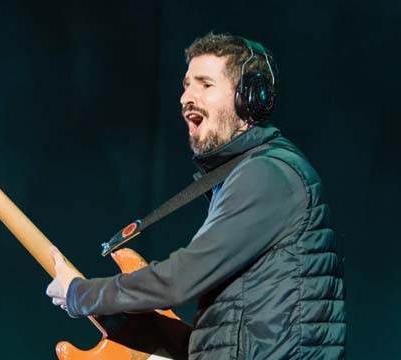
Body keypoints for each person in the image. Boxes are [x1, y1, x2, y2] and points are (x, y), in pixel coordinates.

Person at [46, 32, 346, 359]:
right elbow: (239, 324)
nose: (186, 97)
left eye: (205, 84)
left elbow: (181, 280)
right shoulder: (248, 174)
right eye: (186, 84)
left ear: (249, 99)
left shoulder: (268, 175)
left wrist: (80, 294)